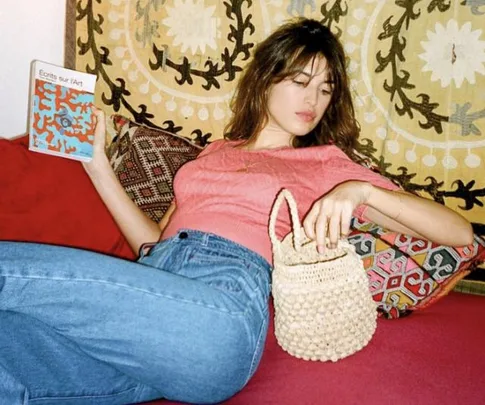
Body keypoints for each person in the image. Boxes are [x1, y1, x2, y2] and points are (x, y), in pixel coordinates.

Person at [0, 18, 473, 405]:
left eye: (326, 89)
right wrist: (96, 164)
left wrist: (361, 193)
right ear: (267, 78)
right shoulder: (214, 153)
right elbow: (152, 243)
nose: (313, 100)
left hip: (221, 315)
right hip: (151, 308)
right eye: (300, 81)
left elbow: (458, 231)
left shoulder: (326, 163)